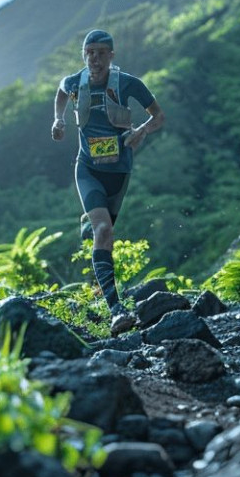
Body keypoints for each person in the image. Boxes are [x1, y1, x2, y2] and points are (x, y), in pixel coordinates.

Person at [51, 29, 166, 335]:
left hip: (119, 172)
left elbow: (159, 117)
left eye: (102, 53)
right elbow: (61, 93)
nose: (95, 59)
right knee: (104, 231)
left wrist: (142, 130)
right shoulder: (75, 82)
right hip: (87, 169)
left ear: (111, 56)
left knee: (103, 232)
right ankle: (116, 311)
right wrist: (58, 119)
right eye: (90, 53)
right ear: (83, 55)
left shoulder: (128, 83)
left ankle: (90, 220)